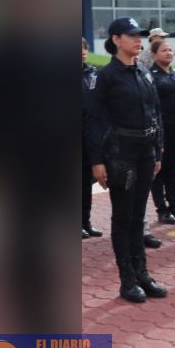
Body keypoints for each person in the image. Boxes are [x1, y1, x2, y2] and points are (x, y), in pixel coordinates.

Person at [87, 17, 168, 303]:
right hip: (121, 154)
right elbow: (93, 120)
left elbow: (155, 112)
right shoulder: (106, 76)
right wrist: (96, 161)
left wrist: (157, 151)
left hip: (145, 152)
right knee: (123, 216)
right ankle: (127, 279)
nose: (139, 40)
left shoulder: (144, 72)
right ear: (116, 40)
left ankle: (143, 273)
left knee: (138, 215)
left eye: (140, 36)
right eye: (132, 35)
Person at [149, 40, 175, 224]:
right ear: (154, 54)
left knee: (173, 170)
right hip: (161, 130)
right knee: (159, 171)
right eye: (164, 50)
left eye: (170, 50)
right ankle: (162, 210)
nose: (168, 53)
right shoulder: (151, 76)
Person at [82, 37, 103, 239]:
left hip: (88, 135)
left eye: (84, 49)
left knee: (86, 182)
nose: (82, 52)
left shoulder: (92, 74)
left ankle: (86, 221)